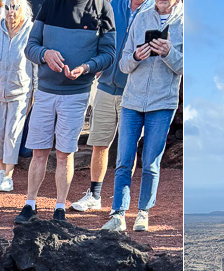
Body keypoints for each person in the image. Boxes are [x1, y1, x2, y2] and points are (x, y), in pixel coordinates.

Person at [16, 0, 114, 224]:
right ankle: (30, 204)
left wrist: (86, 67)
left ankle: (60, 207)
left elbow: (109, 54)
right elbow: (30, 46)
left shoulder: (102, 7)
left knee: (64, 153)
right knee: (38, 152)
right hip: (45, 91)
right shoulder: (50, 4)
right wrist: (45, 54)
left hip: (77, 93)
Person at [100, 0, 179, 233]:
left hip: (162, 103)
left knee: (151, 163)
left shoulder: (185, 23)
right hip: (132, 101)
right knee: (123, 160)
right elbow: (123, 64)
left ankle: (143, 213)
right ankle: (118, 214)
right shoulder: (141, 17)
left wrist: (169, 53)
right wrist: (135, 56)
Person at [69, 0, 143, 213]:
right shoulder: (113, 5)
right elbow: (95, 35)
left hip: (134, 92)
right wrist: (95, 63)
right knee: (99, 143)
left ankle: (121, 200)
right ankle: (94, 195)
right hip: (104, 87)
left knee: (128, 149)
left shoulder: (152, 10)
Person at [0, 0, 33, 192]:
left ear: (23, 9)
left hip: (20, 93)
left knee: (12, 135)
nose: (10, 12)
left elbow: (36, 64)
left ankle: (8, 175)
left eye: (15, 7)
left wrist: (35, 94)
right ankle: (1, 169)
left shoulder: (31, 31)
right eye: (7, 7)